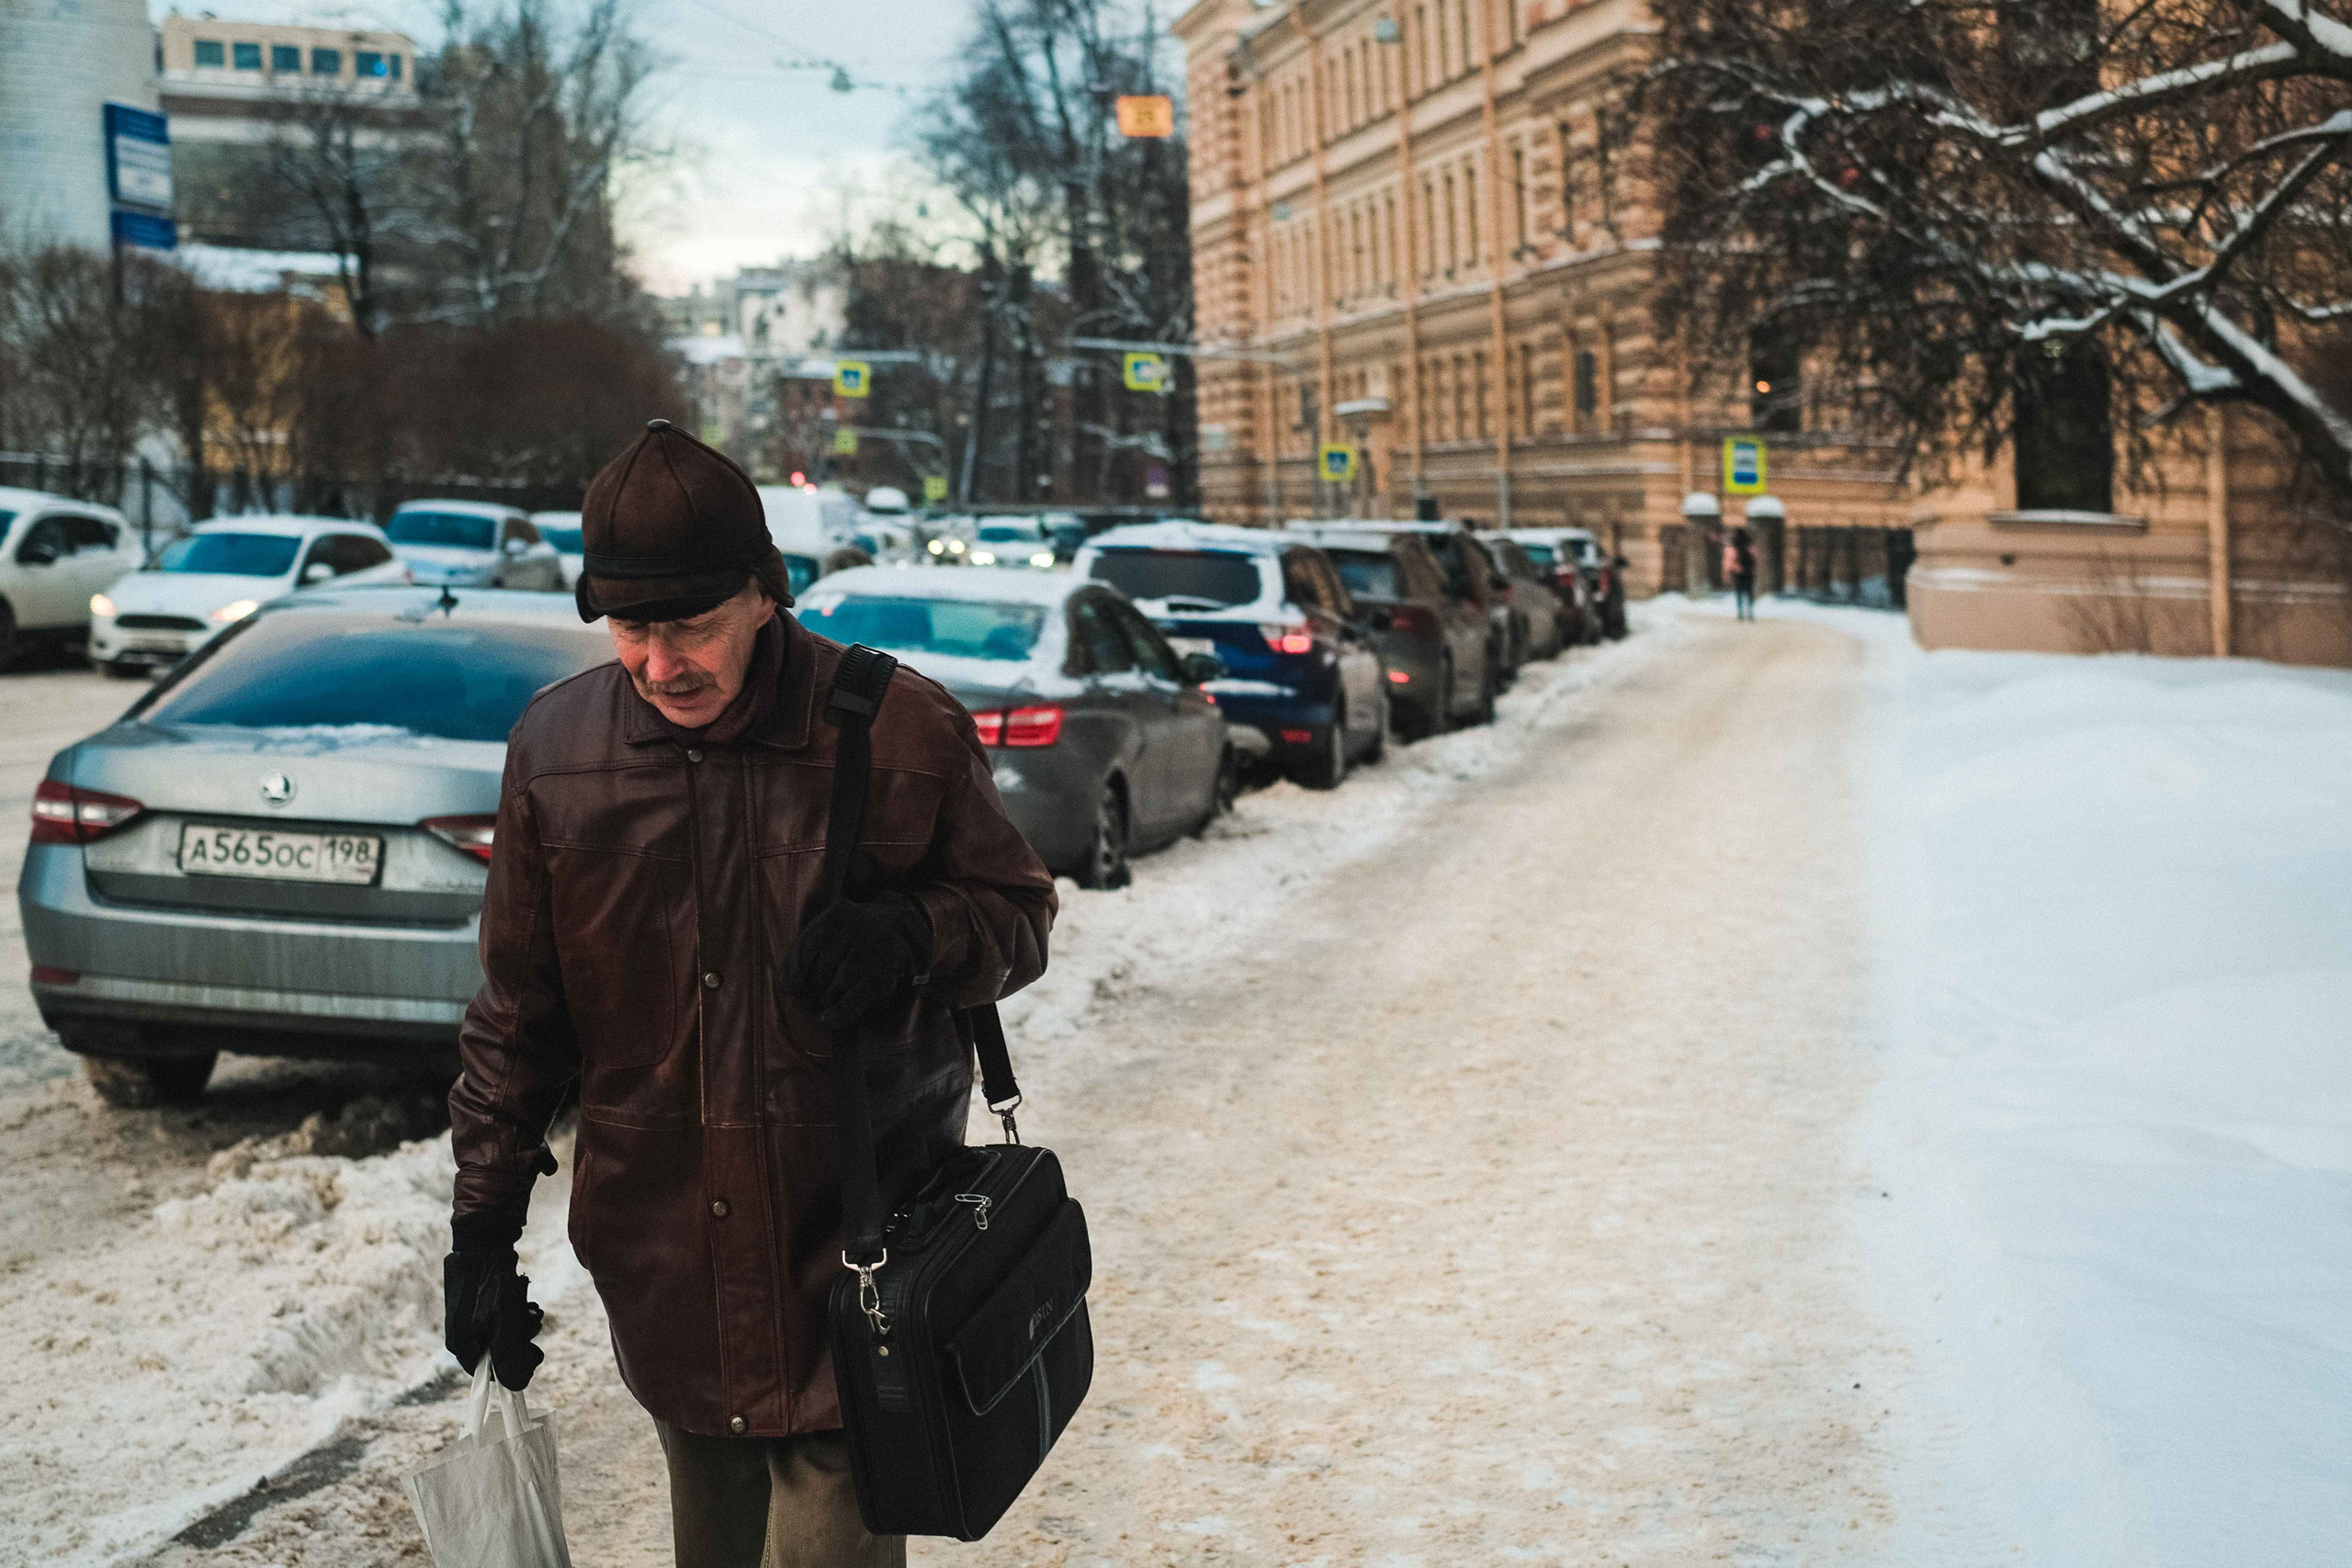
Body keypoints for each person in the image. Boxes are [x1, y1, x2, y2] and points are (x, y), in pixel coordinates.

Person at [442, 419, 1057, 1568]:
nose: (661, 664)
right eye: (631, 628)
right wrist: (480, 1232)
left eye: (692, 628)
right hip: (665, 1260)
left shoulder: (897, 729)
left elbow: (1019, 915)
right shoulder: (557, 754)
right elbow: (517, 1019)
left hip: (858, 1253)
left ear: (766, 595)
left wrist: (915, 933)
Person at [1725, 525, 1758, 621]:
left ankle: (1740, 613)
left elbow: (1730, 560)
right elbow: (1756, 558)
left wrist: (1728, 572)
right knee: (1749, 593)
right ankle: (1750, 613)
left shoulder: (1735, 546)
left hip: (1739, 573)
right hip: (1749, 573)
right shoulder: (1750, 546)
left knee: (1739, 594)